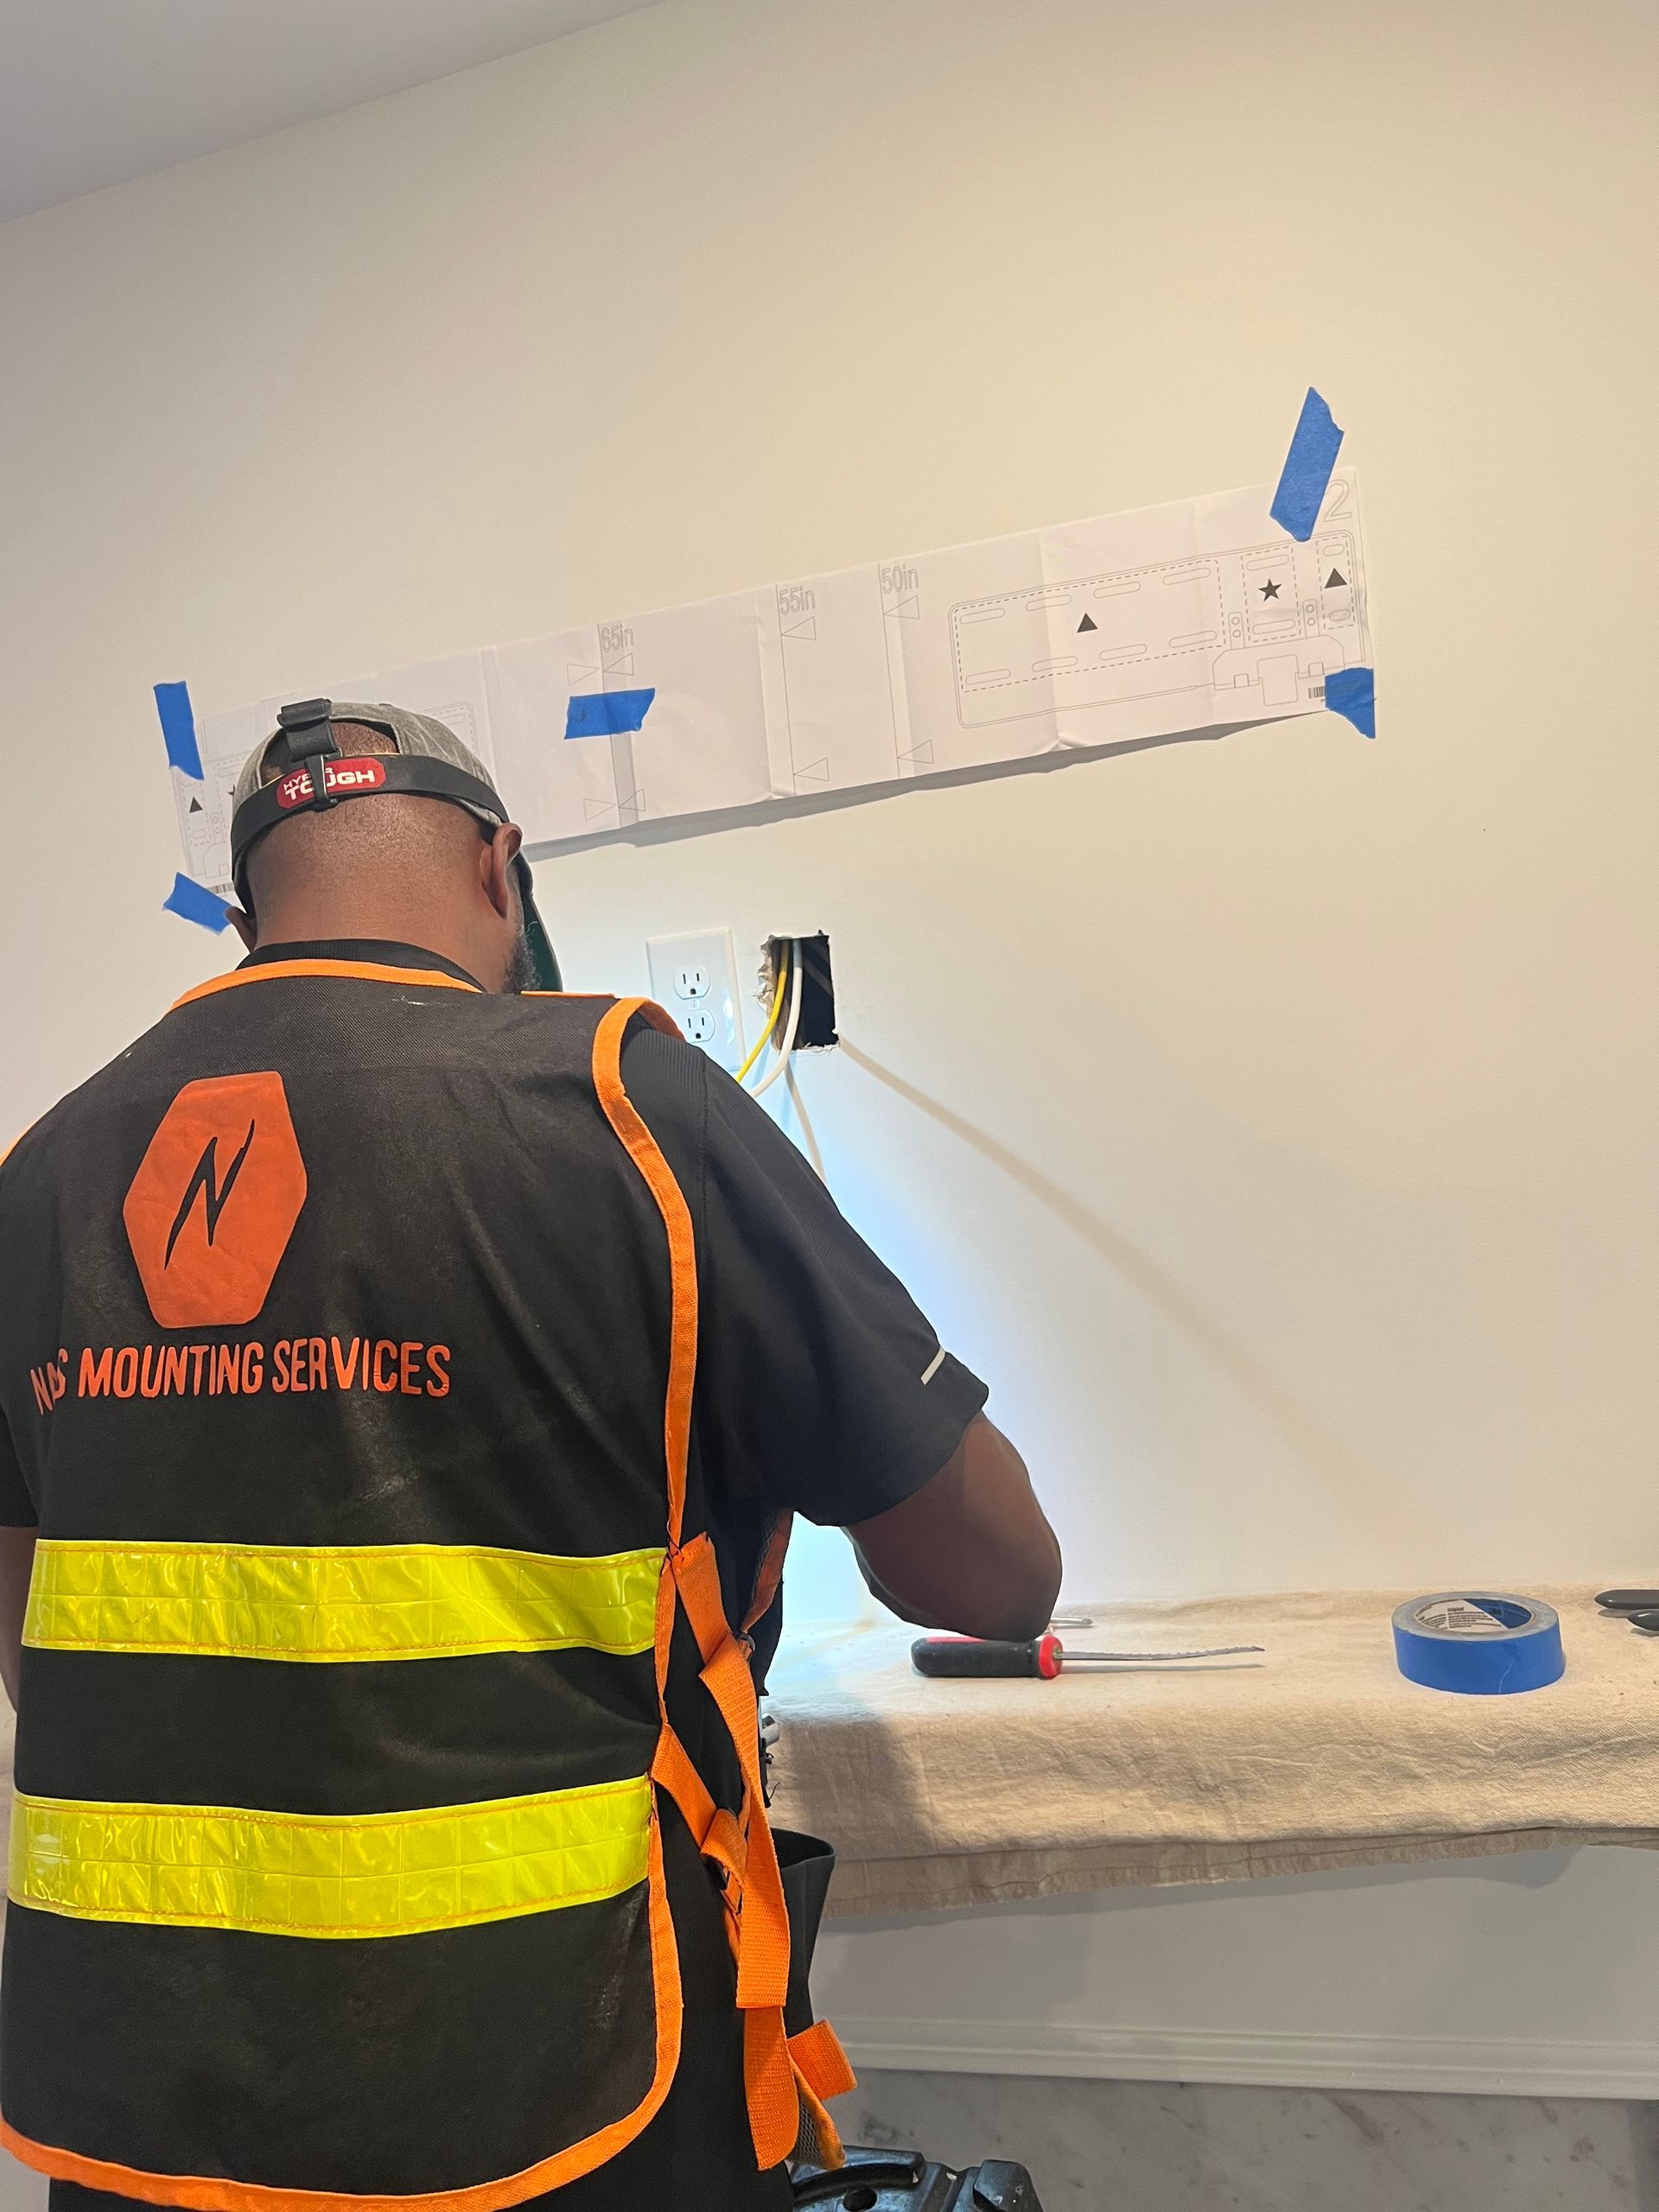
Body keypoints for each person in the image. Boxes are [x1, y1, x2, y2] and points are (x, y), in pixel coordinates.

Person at [0, 702, 1061, 2212]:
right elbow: (997, 1578)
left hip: (147, 2107)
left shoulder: (34, 1180)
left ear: (246, 917)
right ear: (502, 866)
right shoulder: (626, 1110)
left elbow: (45, 1652)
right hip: (565, 2077)